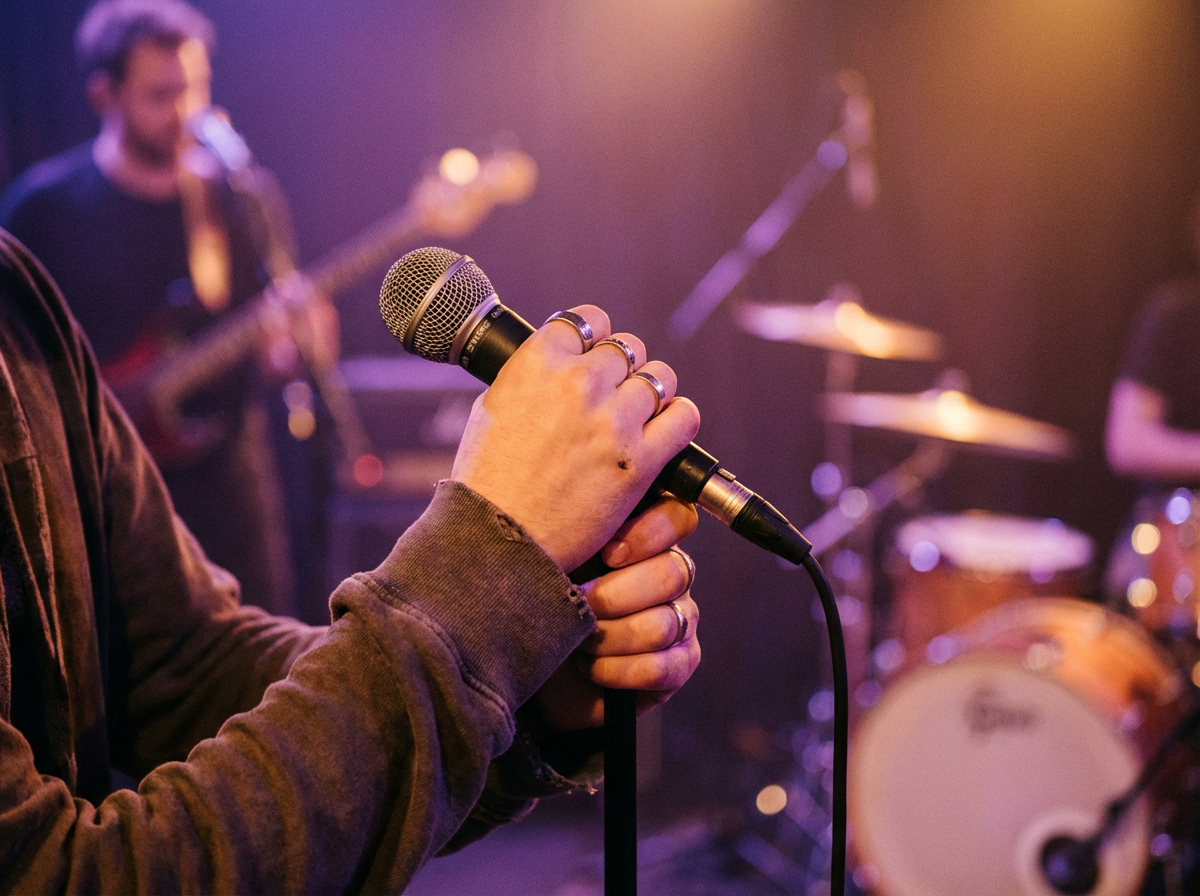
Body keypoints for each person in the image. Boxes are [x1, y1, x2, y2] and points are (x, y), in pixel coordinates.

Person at [0, 227, 702, 891]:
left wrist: (523, 675)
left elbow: (189, 667)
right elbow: (60, 877)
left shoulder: (17, 299)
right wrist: (488, 569)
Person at [0, 0, 334, 617]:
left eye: (197, 88)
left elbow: (277, 354)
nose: (186, 111)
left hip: (230, 494)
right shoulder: (41, 209)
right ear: (105, 94)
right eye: (162, 93)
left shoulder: (241, 198)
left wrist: (287, 355)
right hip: (102, 492)